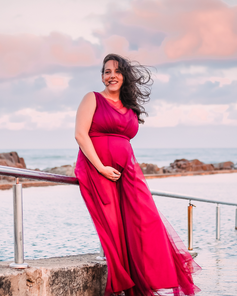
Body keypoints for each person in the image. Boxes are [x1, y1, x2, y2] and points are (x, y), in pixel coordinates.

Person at [74, 53, 201, 296]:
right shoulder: (92, 98)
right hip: (97, 170)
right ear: (102, 76)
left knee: (145, 220)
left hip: (128, 172)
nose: (111, 76)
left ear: (125, 76)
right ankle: (122, 285)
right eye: (107, 71)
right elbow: (81, 135)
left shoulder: (130, 108)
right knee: (112, 226)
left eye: (117, 71)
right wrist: (101, 167)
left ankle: (152, 277)